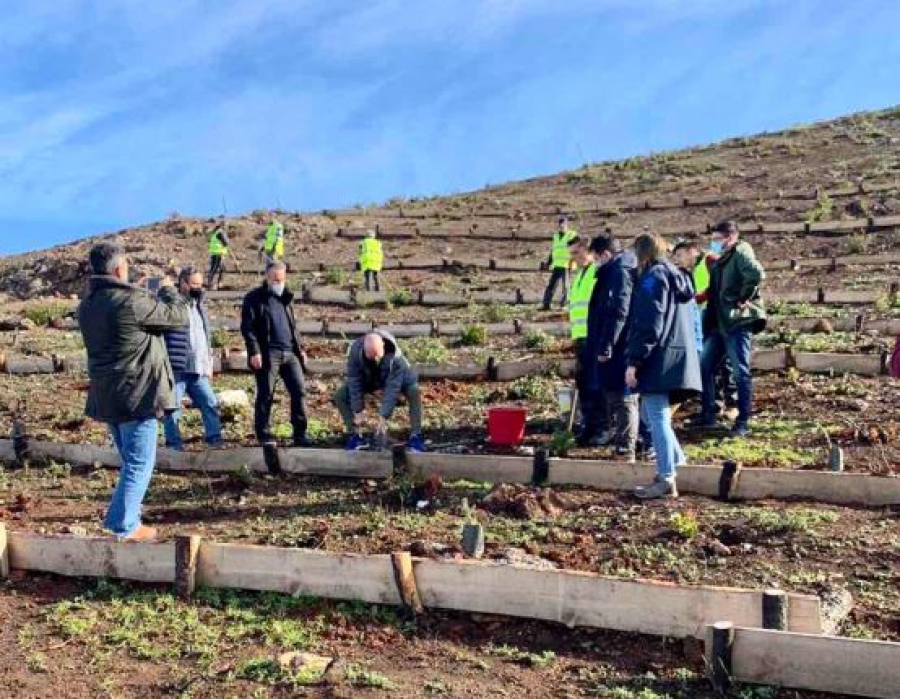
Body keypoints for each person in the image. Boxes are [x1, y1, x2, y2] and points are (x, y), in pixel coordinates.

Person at [78, 242, 189, 540]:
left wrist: (140, 292)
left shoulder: (87, 305)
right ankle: (123, 525)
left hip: (107, 396)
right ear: (118, 269)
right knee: (140, 463)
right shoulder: (131, 301)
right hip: (137, 395)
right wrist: (166, 289)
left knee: (131, 462)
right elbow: (178, 317)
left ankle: (127, 520)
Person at [625, 233, 701, 499]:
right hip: (679, 358)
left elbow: (649, 323)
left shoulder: (653, 278)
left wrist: (634, 361)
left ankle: (666, 477)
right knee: (654, 415)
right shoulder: (678, 276)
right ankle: (677, 464)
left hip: (659, 359)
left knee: (656, 416)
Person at [693, 221, 766, 437]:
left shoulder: (740, 252)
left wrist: (743, 297)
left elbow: (756, 274)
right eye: (713, 239)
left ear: (730, 237)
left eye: (718, 239)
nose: (714, 243)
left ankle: (743, 420)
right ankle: (708, 415)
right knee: (704, 367)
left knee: (740, 372)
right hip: (719, 324)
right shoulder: (721, 260)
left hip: (735, 323)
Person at [240, 261, 311, 448]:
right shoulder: (254, 298)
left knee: (299, 391)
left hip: (290, 352)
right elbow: (247, 328)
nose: (279, 282)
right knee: (266, 393)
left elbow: (292, 325)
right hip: (268, 352)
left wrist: (300, 348)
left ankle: (300, 433)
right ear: (267, 277)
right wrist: (254, 351)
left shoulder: (286, 297)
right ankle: (263, 433)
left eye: (282, 279)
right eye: (275, 279)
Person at [587, 234, 642, 458]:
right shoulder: (615, 270)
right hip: (615, 342)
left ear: (605, 254)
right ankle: (623, 442)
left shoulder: (619, 272)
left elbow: (619, 309)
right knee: (614, 394)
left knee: (623, 396)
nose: (595, 262)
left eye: (596, 258)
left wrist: (607, 344)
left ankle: (625, 447)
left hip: (620, 345)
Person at [162, 266, 223, 451]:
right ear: (183, 283)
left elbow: (203, 336)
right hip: (177, 367)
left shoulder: (199, 307)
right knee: (172, 409)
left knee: (210, 403)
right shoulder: (171, 305)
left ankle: (215, 440)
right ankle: (174, 446)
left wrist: (208, 364)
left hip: (197, 368)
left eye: (200, 284)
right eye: (194, 284)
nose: (198, 288)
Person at [334, 330, 426, 452]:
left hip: (397, 379)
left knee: (414, 391)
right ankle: (355, 435)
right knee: (340, 395)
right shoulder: (355, 352)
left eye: (378, 356)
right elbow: (354, 380)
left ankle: (416, 436)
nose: (376, 359)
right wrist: (358, 410)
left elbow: (392, 388)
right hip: (370, 380)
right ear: (364, 350)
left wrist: (383, 417)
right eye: (372, 357)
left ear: (382, 344)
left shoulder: (396, 358)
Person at [567, 236, 603, 446]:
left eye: (577, 253)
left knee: (595, 384)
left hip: (594, 337)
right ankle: (589, 425)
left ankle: (601, 427)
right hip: (581, 337)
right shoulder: (580, 275)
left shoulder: (596, 273)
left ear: (589, 252)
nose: (574, 258)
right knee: (584, 384)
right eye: (572, 254)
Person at [672, 241, 704, 356]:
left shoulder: (708, 261)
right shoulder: (683, 274)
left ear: (691, 253)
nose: (676, 259)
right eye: (674, 256)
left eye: (679, 255)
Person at [541, 216, 579, 310]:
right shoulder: (556, 236)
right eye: (560, 223)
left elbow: (579, 240)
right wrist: (549, 262)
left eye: (564, 223)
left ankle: (564, 305)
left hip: (566, 264)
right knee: (551, 285)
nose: (562, 225)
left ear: (567, 224)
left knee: (565, 286)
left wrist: (571, 242)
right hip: (557, 264)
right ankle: (546, 304)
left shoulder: (571, 234)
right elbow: (554, 250)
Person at [207, 219, 230, 290]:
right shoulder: (220, 233)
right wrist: (227, 240)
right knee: (215, 269)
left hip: (216, 253)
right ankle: (211, 284)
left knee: (221, 269)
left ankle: (218, 283)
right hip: (218, 254)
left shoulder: (215, 232)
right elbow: (226, 243)